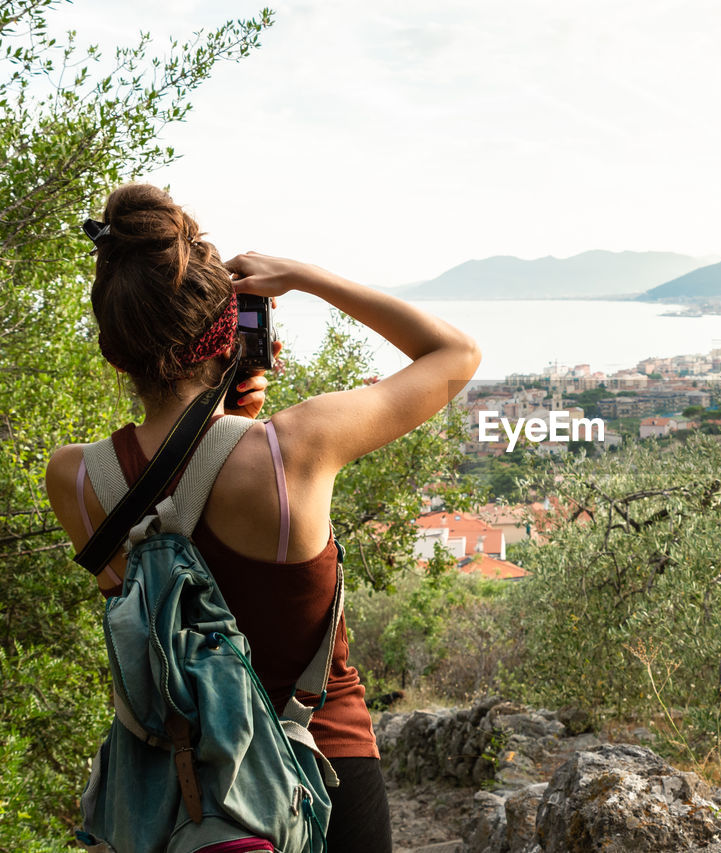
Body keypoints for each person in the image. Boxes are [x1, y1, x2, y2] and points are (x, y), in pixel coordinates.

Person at [43, 183, 481, 852]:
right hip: (321, 769)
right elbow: (455, 356)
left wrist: (223, 421)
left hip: (175, 800)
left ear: (115, 350)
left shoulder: (73, 478)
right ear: (231, 334)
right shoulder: (291, 452)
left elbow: (175, 597)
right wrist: (306, 275)